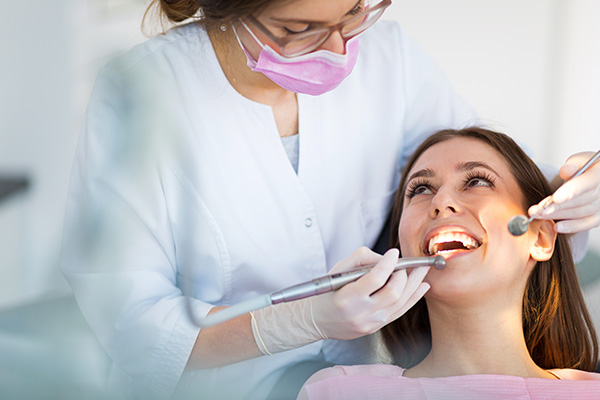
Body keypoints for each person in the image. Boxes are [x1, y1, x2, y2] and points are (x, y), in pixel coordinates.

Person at [60, 0, 600, 398]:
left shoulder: (392, 62)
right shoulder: (143, 93)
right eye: (300, 29)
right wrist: (297, 320)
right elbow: (132, 325)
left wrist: (570, 184)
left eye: (356, 13)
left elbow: (498, 175)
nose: (342, 50)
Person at [297, 127, 600, 400]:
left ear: (540, 238)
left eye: (477, 181)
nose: (440, 201)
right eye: (420, 189)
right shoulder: (337, 392)